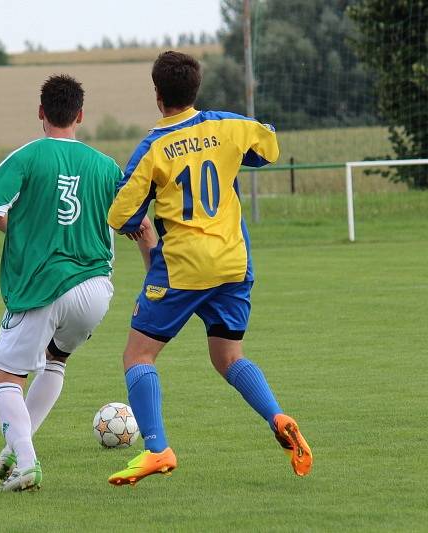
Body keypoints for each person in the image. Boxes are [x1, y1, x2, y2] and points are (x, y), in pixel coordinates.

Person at [106, 51, 313, 486]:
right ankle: (277, 416)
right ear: (195, 89)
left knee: (138, 356)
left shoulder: (153, 146)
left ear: (158, 94)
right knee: (228, 356)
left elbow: (121, 212)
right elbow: (268, 147)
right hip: (234, 262)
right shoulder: (227, 125)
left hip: (183, 268)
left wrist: (138, 224)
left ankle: (157, 449)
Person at [0, 75, 123, 492]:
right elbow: (139, 224)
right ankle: (13, 451)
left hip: (42, 288)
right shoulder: (107, 166)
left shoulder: (26, 157)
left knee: (6, 376)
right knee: (55, 359)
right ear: (80, 115)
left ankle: (26, 461)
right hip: (96, 289)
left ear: (41, 112)